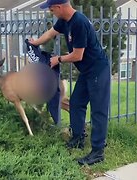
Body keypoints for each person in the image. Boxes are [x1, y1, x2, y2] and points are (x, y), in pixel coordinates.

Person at [29, 0, 110, 165]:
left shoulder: (78, 23)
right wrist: (35, 43)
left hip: (98, 70)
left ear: (59, 7)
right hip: (87, 71)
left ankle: (98, 151)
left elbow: (77, 56)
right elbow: (50, 33)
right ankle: (78, 138)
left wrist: (57, 59)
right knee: (76, 103)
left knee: (98, 110)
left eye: (52, 10)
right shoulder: (64, 21)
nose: (52, 13)